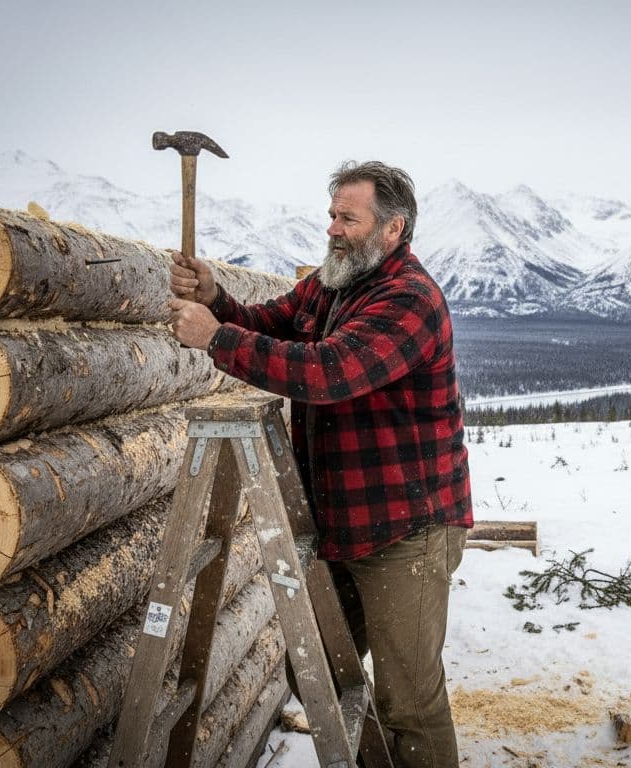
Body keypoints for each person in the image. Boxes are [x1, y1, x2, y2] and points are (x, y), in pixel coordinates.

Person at [168, 160, 471, 768]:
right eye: (332, 214)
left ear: (392, 230)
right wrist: (216, 301)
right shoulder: (334, 282)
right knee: (314, 671)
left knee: (409, 701)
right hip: (345, 525)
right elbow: (270, 323)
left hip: (406, 530)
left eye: (348, 218)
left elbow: (326, 373)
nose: (333, 227)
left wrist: (214, 339)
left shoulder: (408, 297)